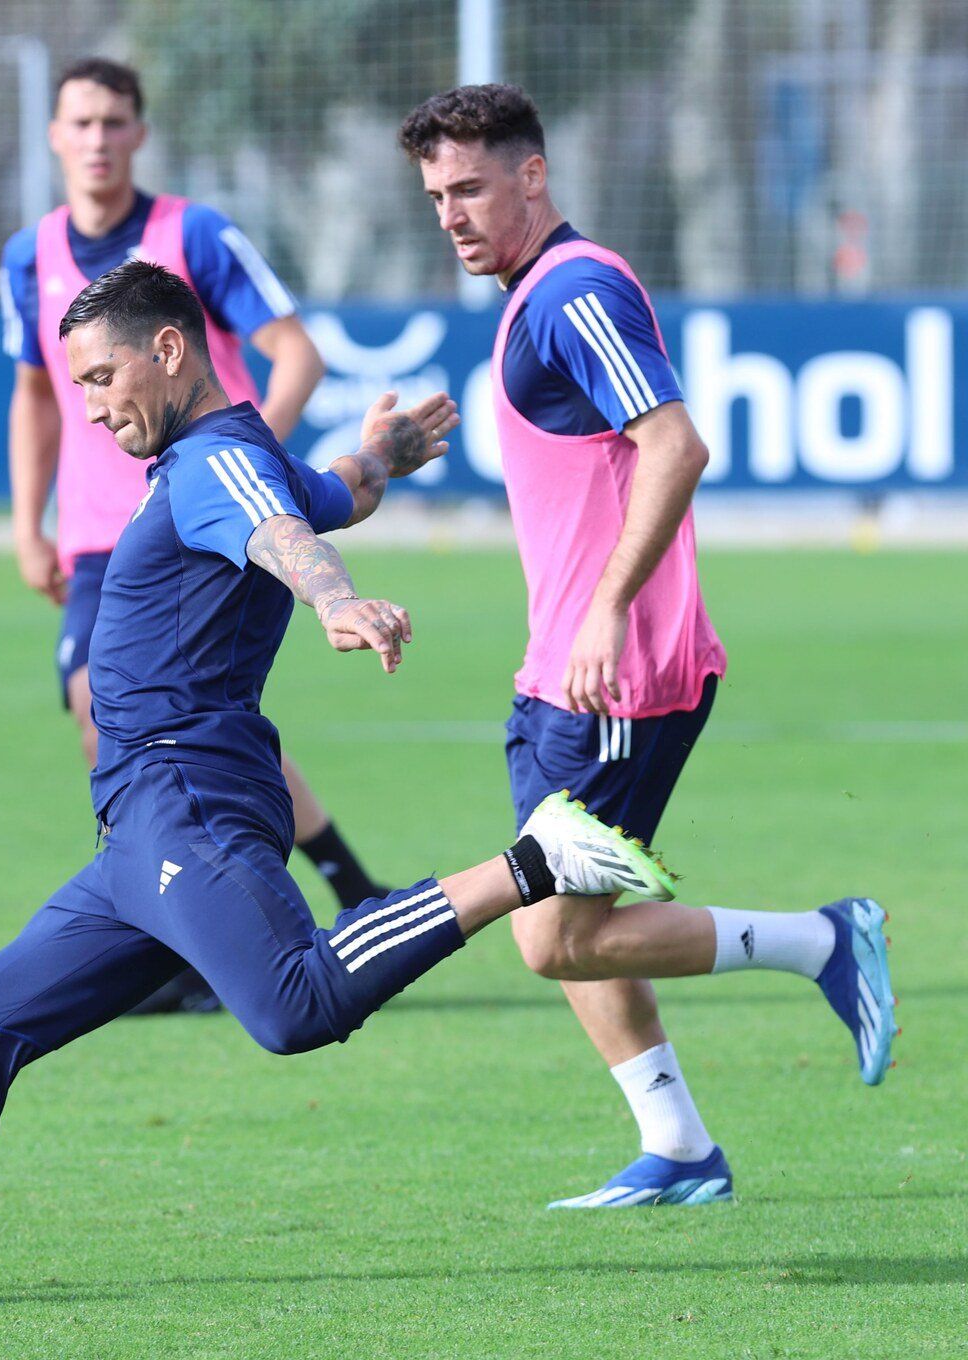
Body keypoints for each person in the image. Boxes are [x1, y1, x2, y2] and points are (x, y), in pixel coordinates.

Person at [0, 261, 736, 1297]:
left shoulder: (211, 463)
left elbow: (285, 536)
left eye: (100, 378)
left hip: (188, 804)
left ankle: (532, 859)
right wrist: (382, 451)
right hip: (139, 832)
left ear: (169, 349)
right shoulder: (231, 459)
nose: (90, 409)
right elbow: (327, 496)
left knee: (295, 1004)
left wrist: (332, 602)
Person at [397, 83, 894, 1208]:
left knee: (554, 938)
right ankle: (676, 1148)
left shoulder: (571, 292)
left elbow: (674, 445)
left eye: (469, 186)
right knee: (558, 919)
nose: (450, 214)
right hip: (559, 674)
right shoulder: (539, 290)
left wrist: (607, 607)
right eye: (434, 195)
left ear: (533, 174)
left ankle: (822, 941)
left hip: (616, 677)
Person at [1, 58, 387, 1014]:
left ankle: (203, 920)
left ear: (139, 132)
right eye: (80, 122)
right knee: (129, 714)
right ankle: (260, 900)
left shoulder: (194, 234)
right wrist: (27, 522)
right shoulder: (30, 254)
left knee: (155, 712)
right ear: (55, 135)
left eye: (114, 121)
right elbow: (36, 394)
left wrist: (242, 474)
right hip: (99, 536)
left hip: (206, 518)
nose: (96, 139)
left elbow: (292, 349)